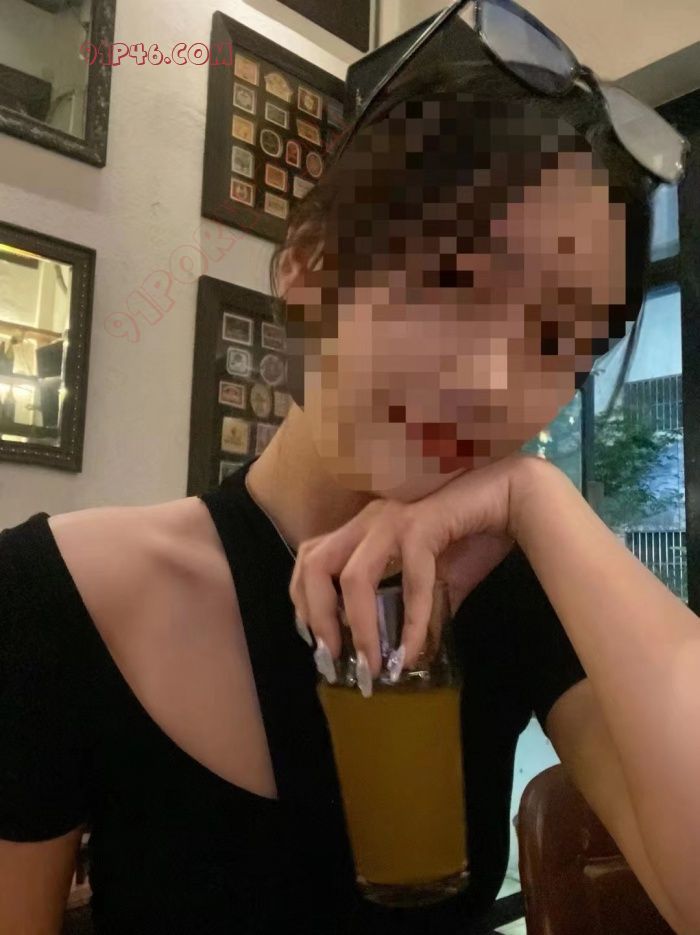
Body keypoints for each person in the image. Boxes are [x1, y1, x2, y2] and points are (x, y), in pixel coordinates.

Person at [1, 8, 698, 935]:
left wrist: (537, 495)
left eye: (559, 346)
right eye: (458, 279)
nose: (499, 383)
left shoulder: (506, 592)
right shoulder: (53, 598)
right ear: (307, 265)